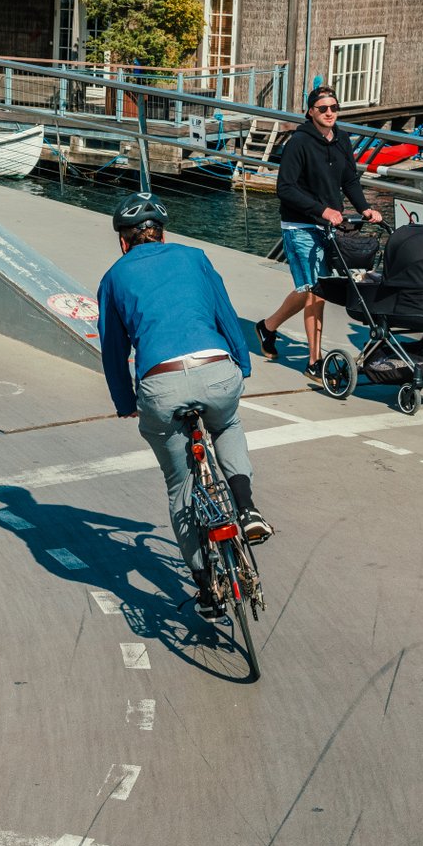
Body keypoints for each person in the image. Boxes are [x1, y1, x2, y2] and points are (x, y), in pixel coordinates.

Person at [98, 193, 272, 618]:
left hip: (162, 384)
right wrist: (243, 363)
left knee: (180, 486)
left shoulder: (114, 277)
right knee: (226, 425)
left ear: (123, 242)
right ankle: (246, 507)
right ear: (163, 235)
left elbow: (113, 349)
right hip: (216, 370)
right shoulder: (195, 257)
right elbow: (225, 315)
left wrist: (124, 400)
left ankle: (206, 588)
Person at [254, 85, 382, 381]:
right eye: (323, 108)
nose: (329, 113)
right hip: (300, 225)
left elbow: (349, 179)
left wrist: (364, 208)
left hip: (331, 226)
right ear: (310, 111)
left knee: (310, 289)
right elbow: (285, 188)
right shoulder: (298, 143)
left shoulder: (342, 139)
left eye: (334, 108)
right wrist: (322, 210)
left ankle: (268, 327)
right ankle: (314, 362)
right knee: (316, 291)